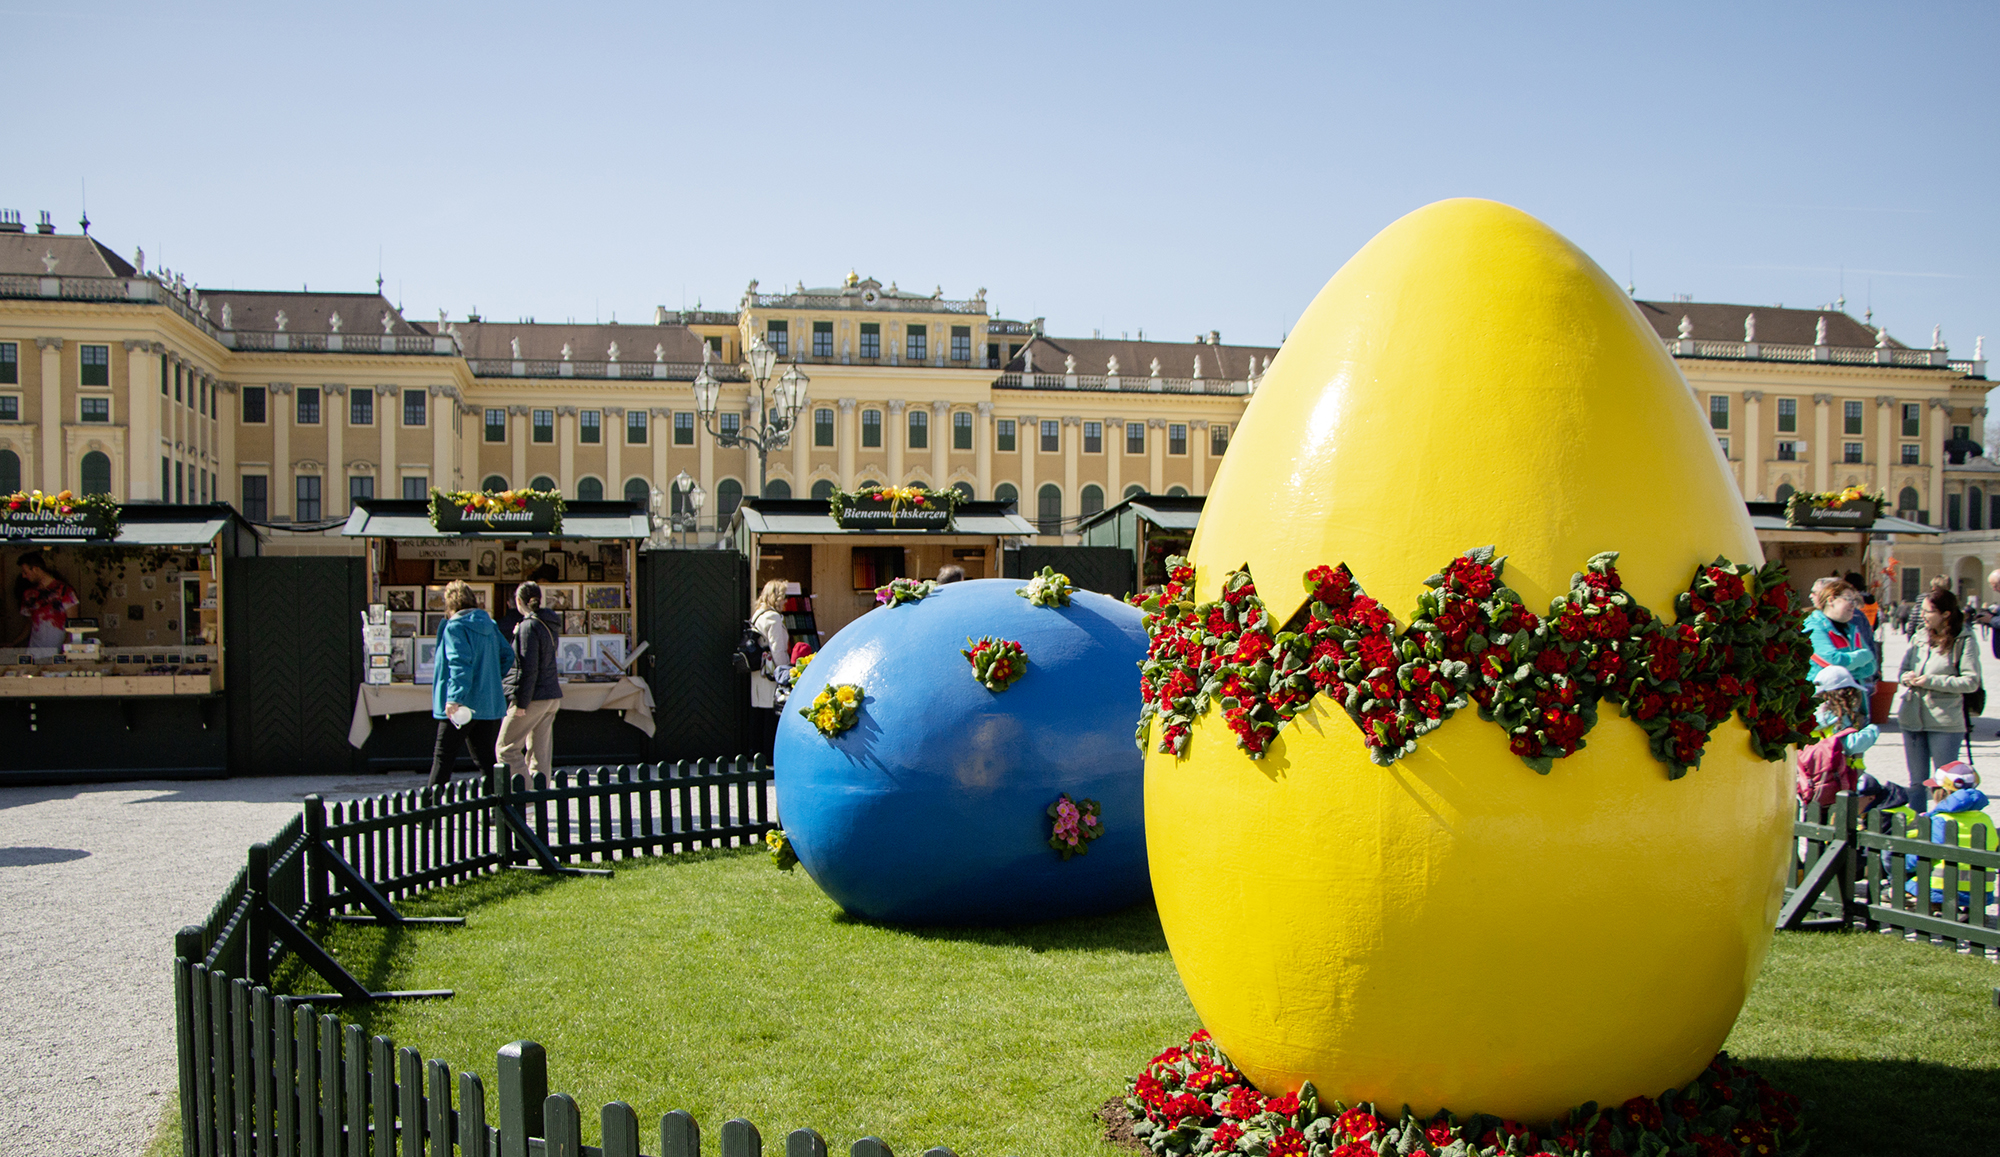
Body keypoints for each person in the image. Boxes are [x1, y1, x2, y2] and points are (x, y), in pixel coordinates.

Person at [1894, 587, 1981, 805]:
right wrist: (1907, 678)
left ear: (1945, 614)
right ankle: (1917, 830)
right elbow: (1902, 670)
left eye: (1928, 611)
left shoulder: (1964, 638)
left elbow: (1971, 681)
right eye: (1921, 610)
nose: (1922, 615)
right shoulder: (1920, 636)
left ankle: (1944, 828)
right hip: (1912, 717)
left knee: (1946, 782)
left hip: (1944, 720)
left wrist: (1931, 681)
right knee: (1917, 783)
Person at [428, 579, 515, 792]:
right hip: (487, 704)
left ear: (450, 604)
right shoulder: (489, 625)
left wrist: (454, 698)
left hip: (462, 705)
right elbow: (507, 655)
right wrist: (491, 678)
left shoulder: (455, 627)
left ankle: (430, 811)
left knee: (443, 757)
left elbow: (460, 664)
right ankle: (499, 809)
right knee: (485, 759)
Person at [496, 581, 563, 786]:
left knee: (505, 748)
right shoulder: (548, 623)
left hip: (533, 696)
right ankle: (539, 796)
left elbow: (528, 668)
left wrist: (521, 703)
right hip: (551, 694)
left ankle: (526, 795)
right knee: (539, 751)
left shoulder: (528, 626)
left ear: (518, 601)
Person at [1796, 666, 1879, 805]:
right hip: (1839, 777)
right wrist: (1872, 730)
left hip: (1810, 776)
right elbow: (1850, 745)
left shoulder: (1809, 714)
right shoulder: (1839, 716)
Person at [1803, 577, 1878, 693]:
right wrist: (1865, 655)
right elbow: (1834, 660)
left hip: (1852, 701)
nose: (1853, 605)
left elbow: (1871, 667)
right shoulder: (1813, 626)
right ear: (1831, 600)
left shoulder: (1852, 629)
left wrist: (1843, 671)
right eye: (1848, 599)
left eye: (1854, 601)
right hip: (1823, 700)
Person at [749, 579, 790, 759]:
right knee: (771, 714)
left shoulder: (758, 614)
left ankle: (755, 753)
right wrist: (786, 671)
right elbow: (777, 648)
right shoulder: (773, 617)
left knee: (758, 713)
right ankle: (768, 755)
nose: (785, 601)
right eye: (783, 597)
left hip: (758, 671)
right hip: (770, 673)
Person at [11, 550, 79, 650]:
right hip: (35, 652)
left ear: (35, 569)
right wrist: (13, 643)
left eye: (25, 572)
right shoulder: (29, 594)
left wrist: (66, 650)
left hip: (58, 652)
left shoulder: (64, 591)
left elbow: (73, 624)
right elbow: (29, 624)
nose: (23, 576)